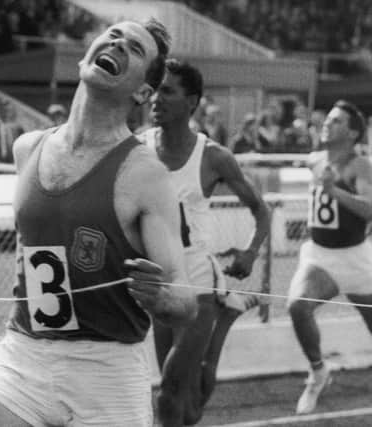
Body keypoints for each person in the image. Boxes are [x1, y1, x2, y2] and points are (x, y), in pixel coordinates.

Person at [0, 19, 198, 427]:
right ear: (87, 54)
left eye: (135, 49)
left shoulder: (146, 175)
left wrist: (162, 299)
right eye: (114, 36)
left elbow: (185, 302)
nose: (118, 44)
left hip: (106, 375)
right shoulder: (27, 148)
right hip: (24, 360)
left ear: (142, 92)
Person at [138, 59, 270, 427]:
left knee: (168, 392)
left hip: (198, 282)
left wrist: (250, 251)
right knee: (186, 406)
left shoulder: (213, 157)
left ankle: (222, 315)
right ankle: (225, 324)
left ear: (192, 102)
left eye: (167, 91)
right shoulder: (137, 148)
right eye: (155, 89)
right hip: (160, 283)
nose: (155, 98)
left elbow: (262, 212)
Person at [287, 100, 372, 415]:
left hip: (357, 258)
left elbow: (370, 209)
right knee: (297, 306)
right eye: (328, 119)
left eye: (336, 121)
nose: (327, 124)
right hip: (320, 257)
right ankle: (318, 371)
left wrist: (334, 190)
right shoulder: (314, 159)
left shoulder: (360, 165)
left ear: (351, 133)